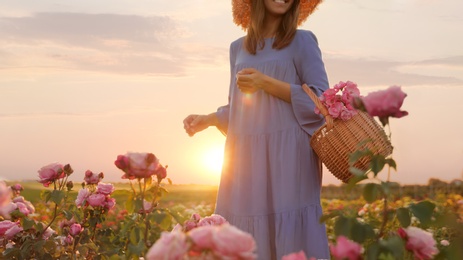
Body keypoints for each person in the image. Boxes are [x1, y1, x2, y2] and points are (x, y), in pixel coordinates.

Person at [183, 0, 330, 259]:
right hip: (245, 160)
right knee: (244, 234)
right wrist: (208, 119)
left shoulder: (303, 41)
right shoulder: (236, 49)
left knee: (291, 232)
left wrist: (266, 83)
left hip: (290, 156)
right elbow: (239, 108)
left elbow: (321, 102)